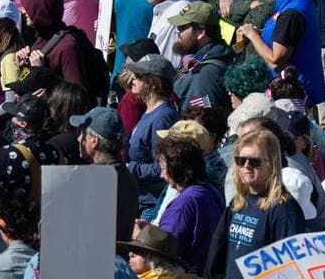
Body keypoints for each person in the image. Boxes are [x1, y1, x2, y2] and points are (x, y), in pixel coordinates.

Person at [207, 129, 305, 277]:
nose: (246, 166)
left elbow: (290, 270)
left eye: (255, 161)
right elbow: (218, 254)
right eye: (241, 160)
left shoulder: (284, 210)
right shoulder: (239, 202)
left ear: (271, 163)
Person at [235, 0, 325, 107]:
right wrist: (260, 33)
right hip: (294, 90)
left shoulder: (292, 12)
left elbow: (276, 62)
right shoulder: (294, 0)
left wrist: (253, 35)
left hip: (294, 97)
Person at [153, 136, 224, 269]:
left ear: (176, 168)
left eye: (163, 168)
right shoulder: (208, 191)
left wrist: (141, 234)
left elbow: (165, 250)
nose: (161, 175)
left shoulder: (184, 204)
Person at [72, 107, 139, 241]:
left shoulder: (89, 182)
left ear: (94, 140)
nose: (79, 139)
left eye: (82, 133)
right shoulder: (128, 177)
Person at [123, 54, 180, 207]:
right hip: (141, 198)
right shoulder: (151, 111)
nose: (133, 79)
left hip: (151, 203)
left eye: (139, 76)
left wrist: (130, 168)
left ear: (153, 84)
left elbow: (163, 167)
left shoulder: (163, 117)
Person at [168, 1, 235, 110]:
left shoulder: (205, 75)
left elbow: (203, 120)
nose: (178, 32)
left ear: (201, 32)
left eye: (182, 27)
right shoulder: (196, 63)